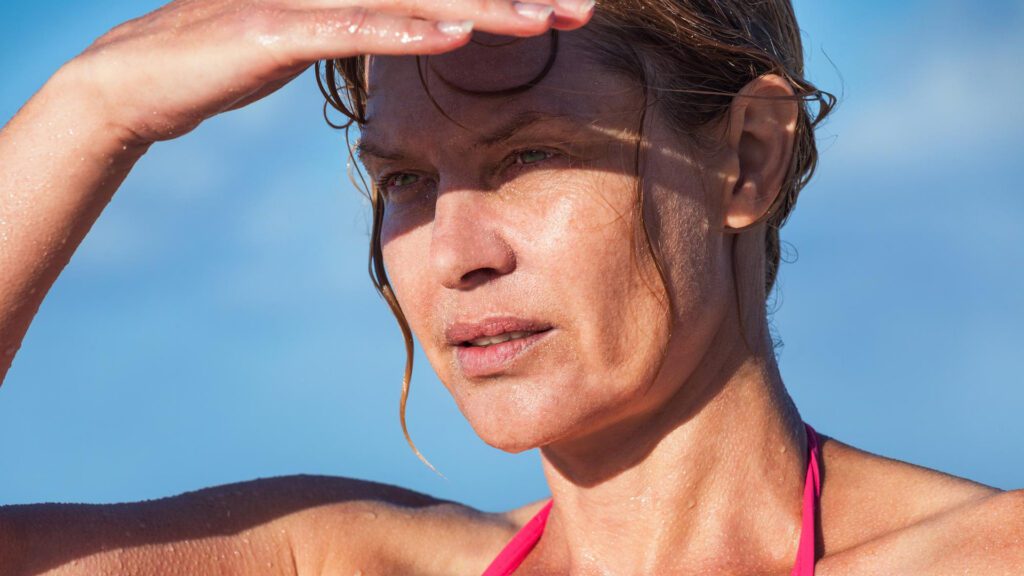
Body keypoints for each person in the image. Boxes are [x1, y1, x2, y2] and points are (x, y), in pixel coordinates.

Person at [0, 0, 1021, 574]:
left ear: (747, 156)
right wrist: (96, 104)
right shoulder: (338, 563)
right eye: (405, 179)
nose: (455, 253)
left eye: (529, 157)